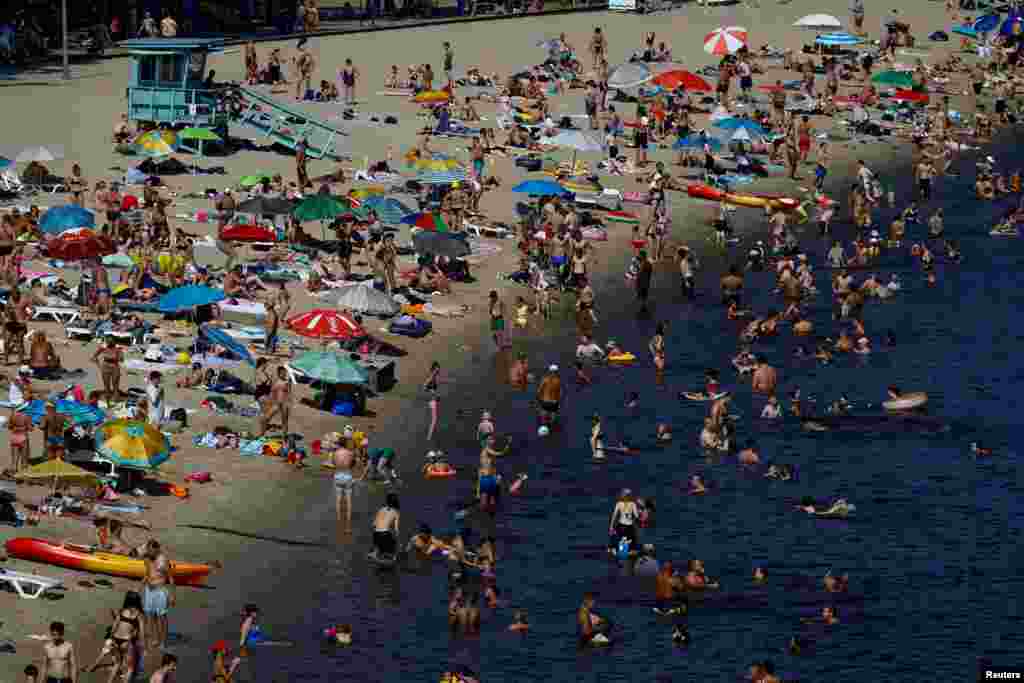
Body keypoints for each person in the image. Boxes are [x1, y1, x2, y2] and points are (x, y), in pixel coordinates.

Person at [141, 540, 175, 650]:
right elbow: (147, 574)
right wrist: (139, 587)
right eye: (148, 550)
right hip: (149, 590)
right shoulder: (147, 558)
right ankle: (156, 638)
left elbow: (170, 578)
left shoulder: (163, 560)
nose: (149, 553)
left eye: (151, 551)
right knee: (152, 616)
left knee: (162, 617)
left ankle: (163, 641)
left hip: (160, 590)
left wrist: (172, 595)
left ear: (156, 549)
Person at [608, 488, 639, 553]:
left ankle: (614, 550)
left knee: (616, 539)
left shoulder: (619, 504)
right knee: (632, 543)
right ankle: (630, 552)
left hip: (621, 525)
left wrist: (611, 527)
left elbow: (614, 516)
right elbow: (636, 516)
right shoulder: (633, 504)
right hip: (629, 527)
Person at [370, 493, 400, 559]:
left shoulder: (381, 509)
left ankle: (375, 552)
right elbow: (396, 530)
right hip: (385, 534)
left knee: (379, 540)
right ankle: (393, 557)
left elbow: (374, 524)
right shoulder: (396, 512)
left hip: (376, 534)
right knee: (394, 542)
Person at [7, 406, 31, 474]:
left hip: (14, 437)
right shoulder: (27, 416)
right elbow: (30, 428)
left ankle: (13, 475)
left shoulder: (12, 415)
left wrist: (15, 427)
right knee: (24, 459)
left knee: (14, 460)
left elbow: (9, 426)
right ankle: (22, 476)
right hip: (23, 437)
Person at [424, 361, 441, 442]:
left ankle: (430, 435)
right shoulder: (432, 375)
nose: (439, 369)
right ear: (434, 368)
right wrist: (431, 391)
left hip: (433, 399)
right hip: (432, 400)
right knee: (434, 419)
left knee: (434, 419)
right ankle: (429, 437)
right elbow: (425, 386)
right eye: (437, 368)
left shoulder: (434, 375)